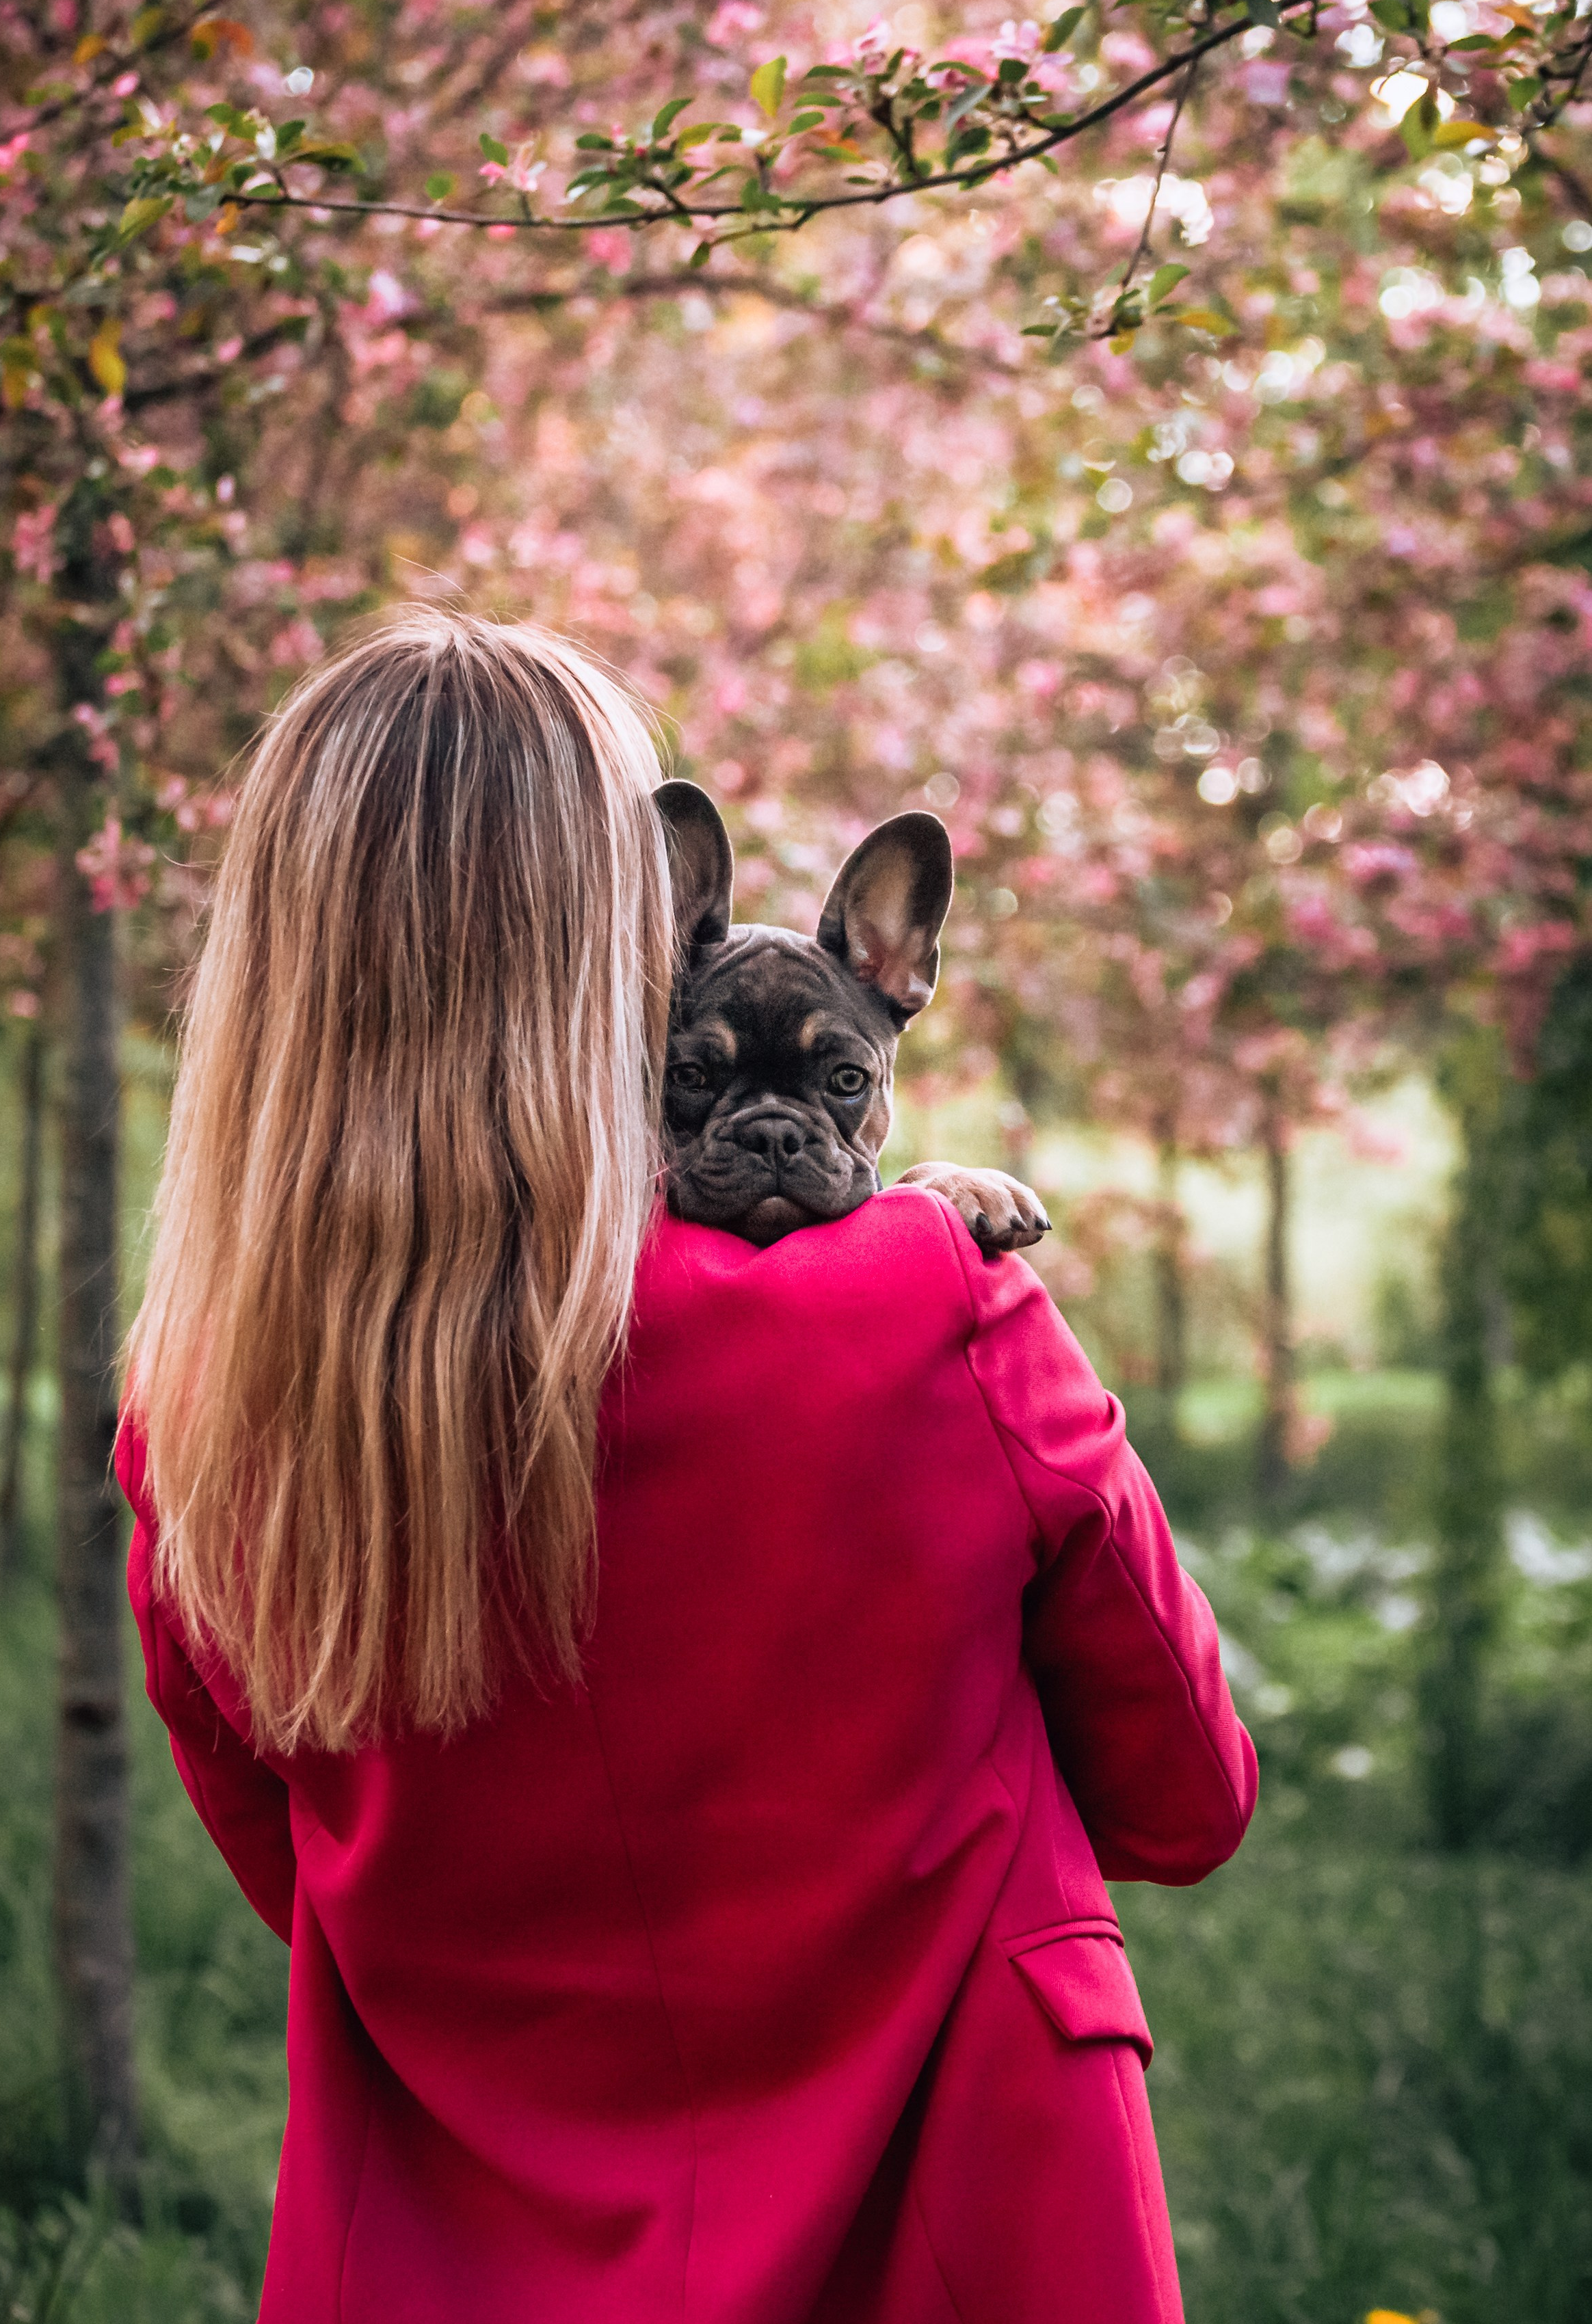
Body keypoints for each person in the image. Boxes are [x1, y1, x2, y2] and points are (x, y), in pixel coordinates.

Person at [120, 606, 1256, 2324]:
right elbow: (1188, 1795)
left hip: (447, 2258)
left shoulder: (200, 1424)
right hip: (959, 2221)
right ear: (613, 950)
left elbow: (305, 1885)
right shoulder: (934, 1307)